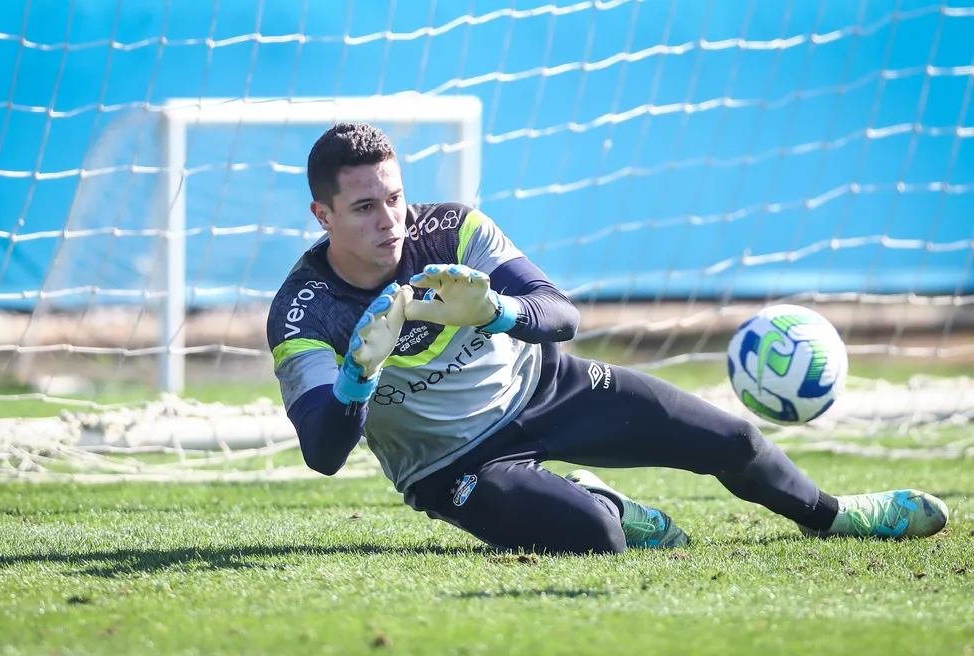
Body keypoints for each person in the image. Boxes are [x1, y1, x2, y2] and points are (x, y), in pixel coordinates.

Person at [266, 122, 949, 555]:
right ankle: (606, 501)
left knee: (734, 442)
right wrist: (359, 375)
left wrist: (497, 311)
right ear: (322, 215)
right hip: (452, 467)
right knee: (598, 536)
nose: (390, 220)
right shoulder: (303, 314)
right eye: (363, 207)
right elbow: (324, 454)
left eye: (394, 197)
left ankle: (834, 517)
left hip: (549, 389)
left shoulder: (452, 231)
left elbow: (560, 314)